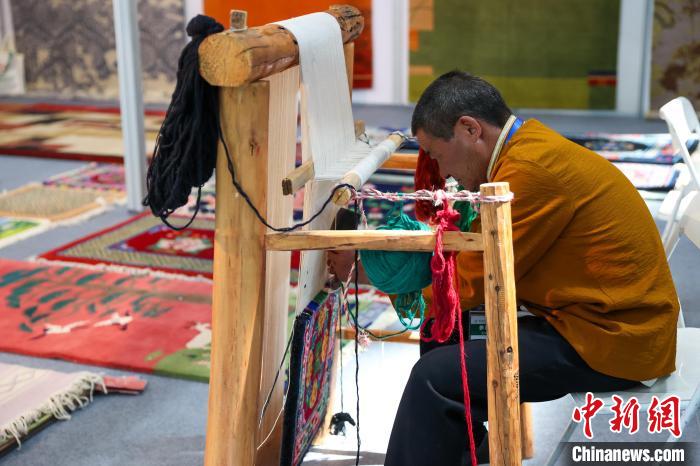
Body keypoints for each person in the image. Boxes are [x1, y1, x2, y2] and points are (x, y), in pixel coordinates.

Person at [330, 71, 680, 466]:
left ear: (470, 129)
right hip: (596, 318)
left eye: (437, 154)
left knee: (433, 379)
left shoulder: (529, 173)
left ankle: (455, 450)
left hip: (615, 340)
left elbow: (468, 284)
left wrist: (371, 273)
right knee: (444, 334)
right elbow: (474, 261)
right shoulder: (527, 147)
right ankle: (465, 452)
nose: (441, 172)